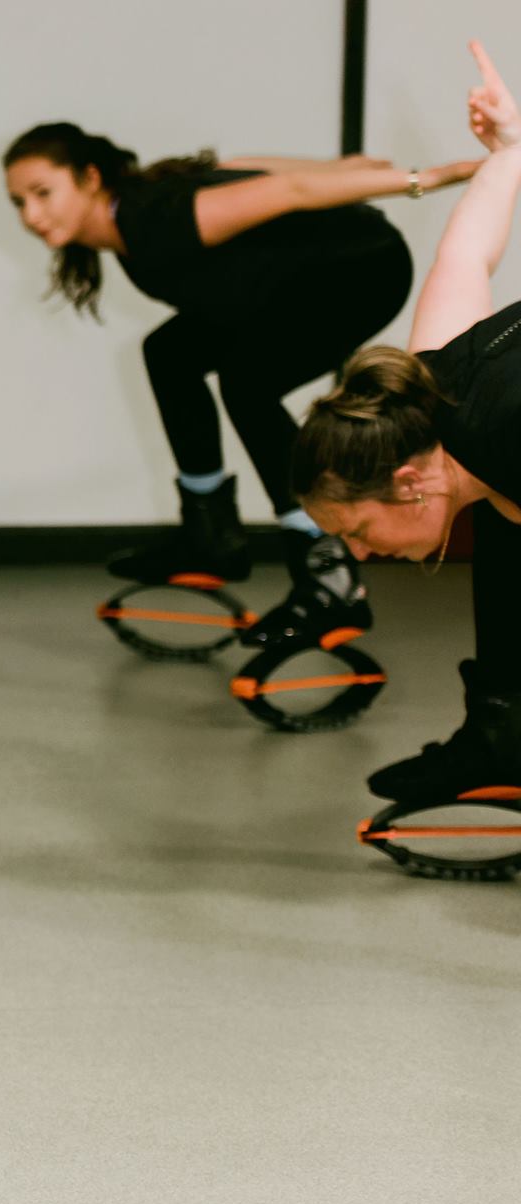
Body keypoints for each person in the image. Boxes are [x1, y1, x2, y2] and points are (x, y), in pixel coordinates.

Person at [2, 121, 475, 650]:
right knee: (169, 353)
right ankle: (210, 534)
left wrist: (430, 178)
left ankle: (326, 570)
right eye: (18, 201)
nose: (30, 216)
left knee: (247, 384)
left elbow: (286, 192)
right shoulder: (136, 209)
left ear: (90, 178)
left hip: (357, 271)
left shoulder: (154, 219)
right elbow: (242, 170)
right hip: (281, 285)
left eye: (43, 194)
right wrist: (344, 169)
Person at [293, 41, 521, 803]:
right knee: (501, 516)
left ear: (404, 481)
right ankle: (502, 736)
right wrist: (513, 148)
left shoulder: (504, 437)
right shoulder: (433, 377)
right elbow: (467, 253)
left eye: (357, 531)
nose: (361, 552)